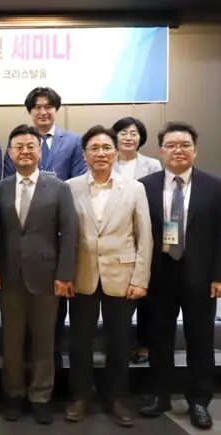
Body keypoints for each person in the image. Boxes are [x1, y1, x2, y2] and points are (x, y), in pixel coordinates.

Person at [64, 125, 152, 427]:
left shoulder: (134, 188)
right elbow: (64, 235)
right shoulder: (70, 187)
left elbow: (145, 237)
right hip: (82, 276)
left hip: (122, 277)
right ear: (84, 154)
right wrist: (65, 274)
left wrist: (140, 279)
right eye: (94, 148)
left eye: (106, 148)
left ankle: (117, 398)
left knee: (119, 341)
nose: (100, 153)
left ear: (115, 153)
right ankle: (80, 396)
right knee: (80, 342)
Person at [0, 124, 78, 425]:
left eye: (31, 146)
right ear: (10, 153)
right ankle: (13, 395)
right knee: (12, 340)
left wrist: (65, 274)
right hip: (10, 275)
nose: (25, 151)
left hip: (47, 275)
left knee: (44, 339)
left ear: (40, 151)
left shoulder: (59, 188)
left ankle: (41, 396)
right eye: (19, 147)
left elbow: (69, 233)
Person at [138, 121, 221, 430]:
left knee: (200, 340)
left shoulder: (214, 186)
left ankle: (199, 401)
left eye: (185, 145)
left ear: (195, 150)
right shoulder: (144, 186)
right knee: (159, 338)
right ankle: (160, 395)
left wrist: (218, 275)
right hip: (158, 275)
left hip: (201, 277)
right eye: (171, 145)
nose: (178, 150)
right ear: (161, 152)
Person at [110, 116, 162, 365]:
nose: (129, 137)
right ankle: (117, 347)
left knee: (145, 294)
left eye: (134, 133)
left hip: (145, 232)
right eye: (123, 133)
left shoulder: (152, 165)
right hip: (115, 236)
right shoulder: (106, 161)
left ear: (141, 138)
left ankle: (144, 345)